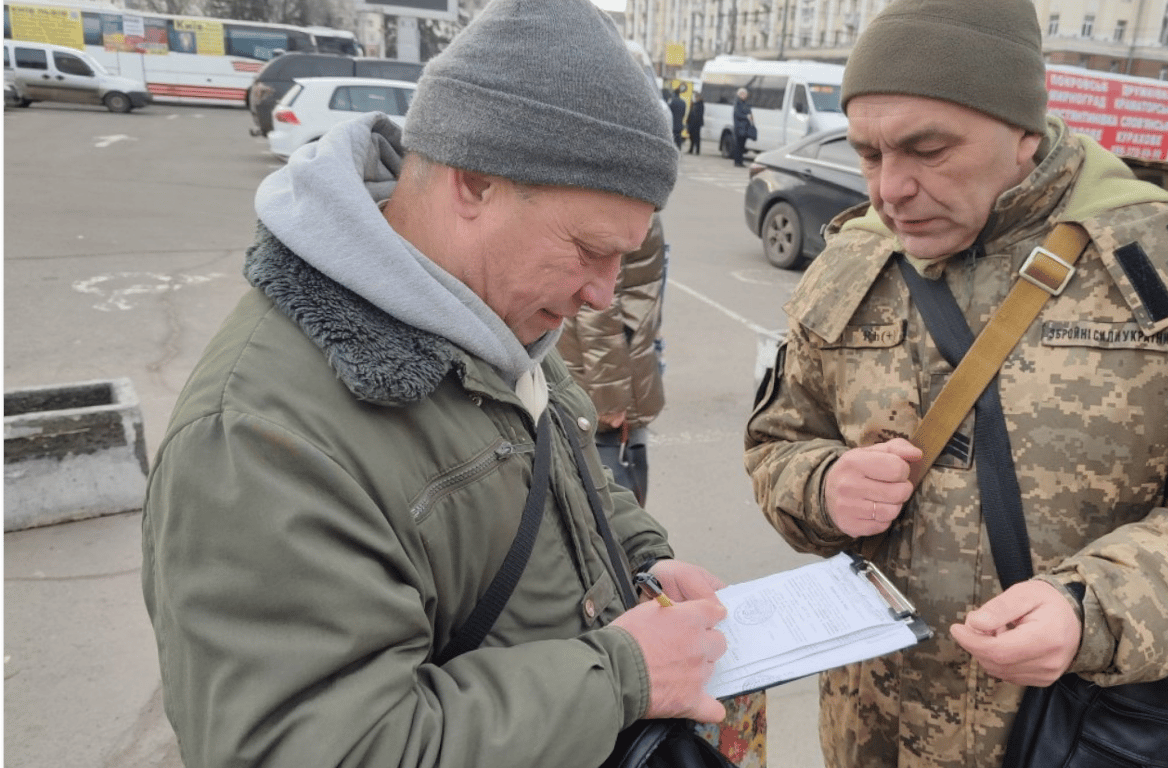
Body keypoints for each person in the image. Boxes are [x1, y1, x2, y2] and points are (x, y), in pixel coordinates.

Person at [742, 1, 1168, 766]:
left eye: (928, 150)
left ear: (1024, 130)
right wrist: (821, 485)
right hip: (869, 737)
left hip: (1068, 735)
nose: (890, 189)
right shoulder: (855, 261)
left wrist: (1090, 610)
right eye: (868, 154)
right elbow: (779, 442)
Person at [141, 2, 731, 767]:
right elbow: (320, 749)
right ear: (474, 183)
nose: (603, 296)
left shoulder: (491, 312)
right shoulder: (258, 435)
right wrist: (622, 675)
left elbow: (561, 478)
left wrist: (644, 565)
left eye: (624, 257)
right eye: (588, 249)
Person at [558, 212, 668, 505]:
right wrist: (611, 397)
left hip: (608, 363)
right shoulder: (630, 207)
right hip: (610, 376)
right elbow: (599, 307)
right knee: (608, 488)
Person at [731, 87, 753, 167]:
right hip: (739, 128)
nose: (746, 96)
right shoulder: (737, 103)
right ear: (740, 94)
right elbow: (737, 114)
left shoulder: (744, 102)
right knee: (739, 145)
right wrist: (746, 117)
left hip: (745, 127)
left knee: (742, 145)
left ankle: (740, 161)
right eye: (745, 94)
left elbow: (748, 111)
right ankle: (737, 162)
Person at [687, 91, 705, 155]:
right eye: (695, 97)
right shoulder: (694, 104)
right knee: (691, 137)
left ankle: (697, 151)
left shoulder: (700, 104)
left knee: (697, 137)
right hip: (692, 123)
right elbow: (691, 112)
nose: (696, 98)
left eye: (696, 97)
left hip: (697, 124)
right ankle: (691, 149)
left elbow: (699, 115)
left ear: (699, 97)